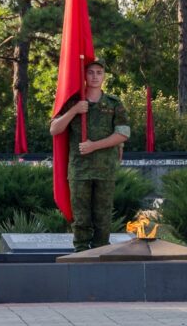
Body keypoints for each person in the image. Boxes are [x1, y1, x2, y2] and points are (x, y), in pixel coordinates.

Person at [49, 59, 130, 252]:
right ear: (84, 76)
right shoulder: (72, 102)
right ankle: (81, 253)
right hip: (80, 170)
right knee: (81, 217)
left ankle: (101, 252)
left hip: (105, 170)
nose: (94, 76)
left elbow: (123, 134)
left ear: (104, 76)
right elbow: (54, 129)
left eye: (99, 72)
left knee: (103, 217)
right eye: (90, 72)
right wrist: (75, 110)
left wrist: (94, 146)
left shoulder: (114, 103)